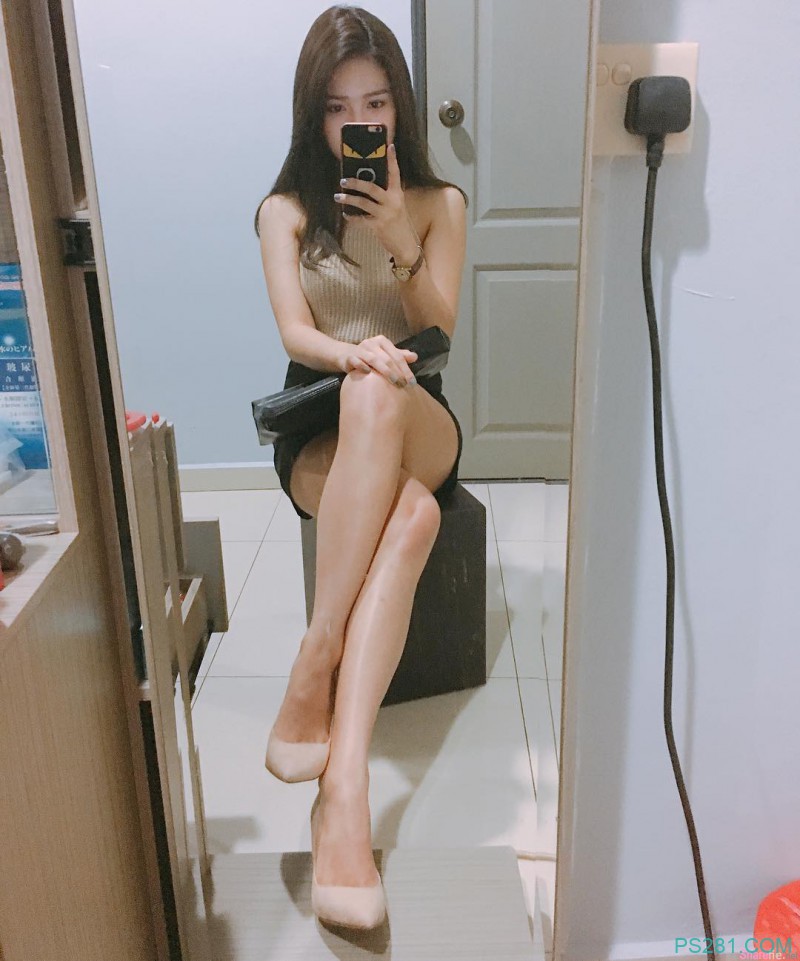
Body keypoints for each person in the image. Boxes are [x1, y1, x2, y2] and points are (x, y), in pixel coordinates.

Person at [254, 4, 467, 930]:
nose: (358, 125)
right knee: (413, 517)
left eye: (375, 103)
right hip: (322, 420)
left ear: (399, 108)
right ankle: (344, 791)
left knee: (386, 390)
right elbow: (295, 333)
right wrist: (356, 357)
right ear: (313, 116)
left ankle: (315, 658)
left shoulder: (439, 204)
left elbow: (440, 329)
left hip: (419, 415)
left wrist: (398, 240)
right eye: (338, 108)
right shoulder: (285, 211)